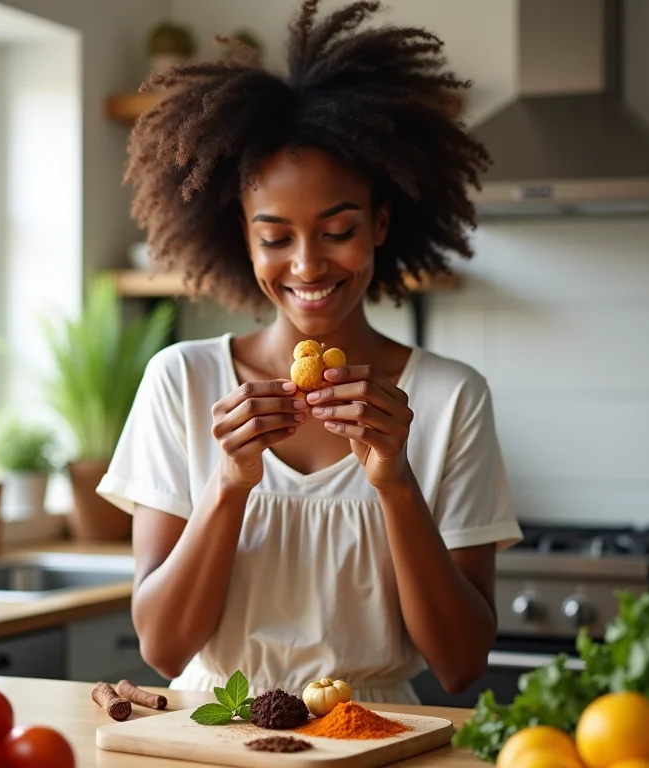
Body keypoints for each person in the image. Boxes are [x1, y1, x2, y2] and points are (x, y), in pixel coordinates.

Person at [96, 0, 522, 704]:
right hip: (215, 734)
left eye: (337, 229)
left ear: (381, 221)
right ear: (243, 236)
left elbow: (461, 665)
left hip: (377, 738)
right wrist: (229, 484)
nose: (308, 265)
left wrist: (395, 483)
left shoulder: (451, 398)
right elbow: (164, 647)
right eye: (276, 237)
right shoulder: (182, 380)